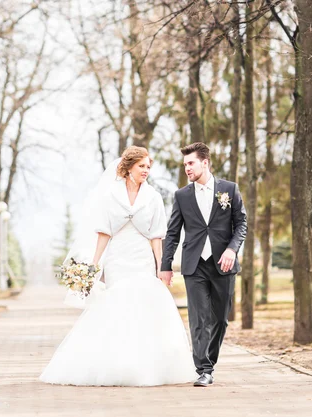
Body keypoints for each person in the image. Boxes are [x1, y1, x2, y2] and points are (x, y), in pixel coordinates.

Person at [40, 146, 195, 386]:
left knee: (142, 306)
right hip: (117, 258)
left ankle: (142, 365)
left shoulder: (153, 196)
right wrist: (94, 265)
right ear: (129, 167)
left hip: (142, 257)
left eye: (148, 167)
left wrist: (160, 267)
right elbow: (104, 232)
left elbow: (157, 236)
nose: (146, 171)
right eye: (142, 166)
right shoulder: (110, 194)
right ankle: (114, 363)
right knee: (118, 305)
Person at [159, 142, 247, 387]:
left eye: (191, 163)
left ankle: (210, 363)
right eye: (185, 164)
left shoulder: (229, 189)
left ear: (205, 162)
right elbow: (173, 232)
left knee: (220, 319)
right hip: (194, 265)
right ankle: (204, 369)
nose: (187, 168)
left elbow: (241, 224)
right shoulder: (182, 196)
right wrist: (166, 266)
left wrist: (232, 249)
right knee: (199, 318)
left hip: (224, 264)